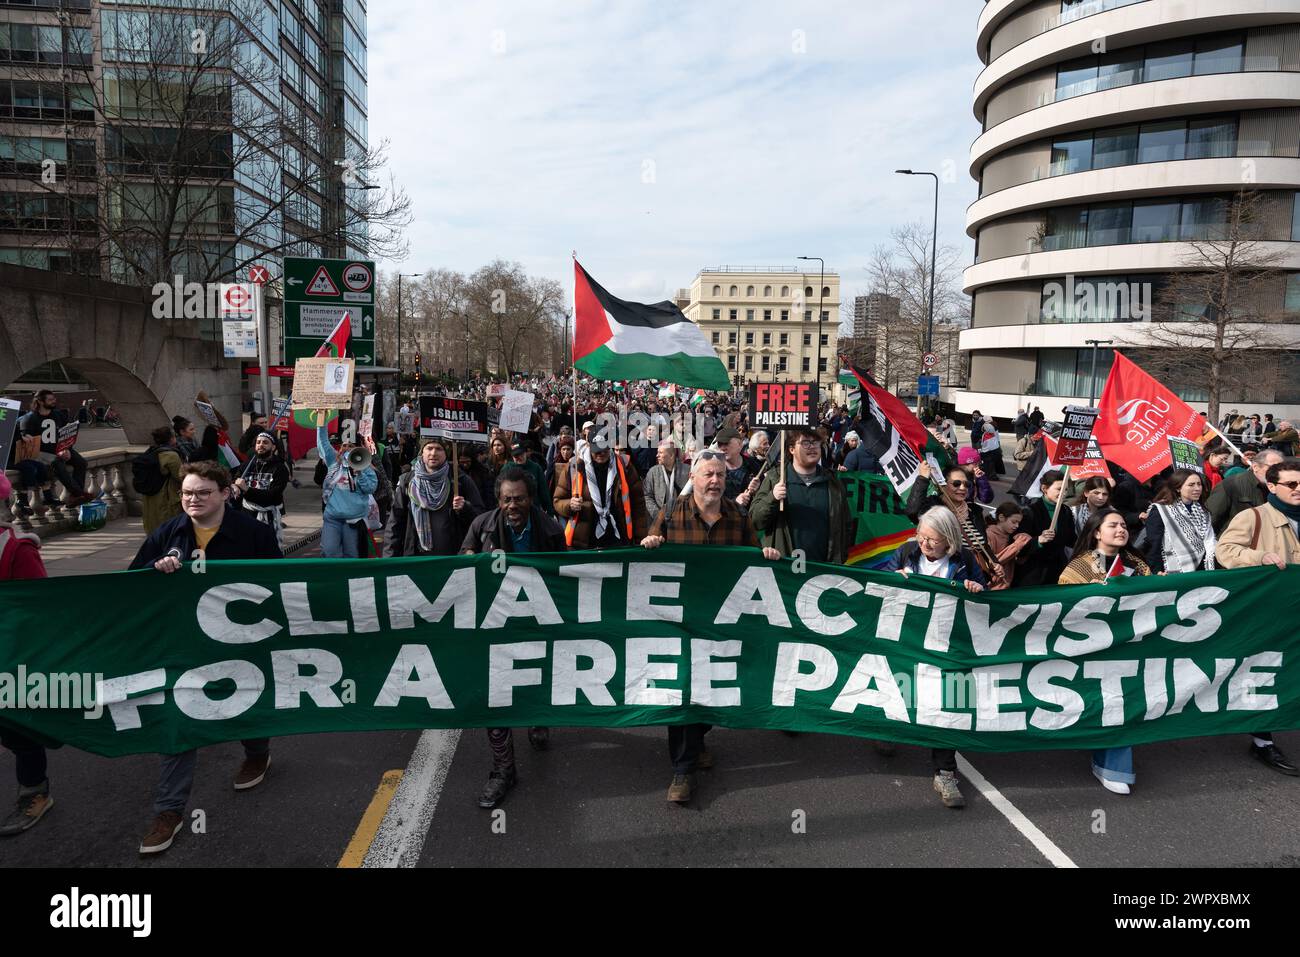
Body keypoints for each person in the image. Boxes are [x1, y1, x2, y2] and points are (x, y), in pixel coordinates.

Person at [129, 461, 282, 854]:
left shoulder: (255, 534)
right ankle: (170, 811)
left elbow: (282, 586)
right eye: (186, 493)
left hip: (240, 643)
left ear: (225, 494)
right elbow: (131, 582)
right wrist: (154, 568)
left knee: (245, 703)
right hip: (184, 646)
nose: (192, 500)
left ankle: (257, 754)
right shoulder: (168, 532)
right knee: (180, 719)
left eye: (202, 493)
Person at [641, 452, 781, 805]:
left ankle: (699, 737)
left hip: (723, 623)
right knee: (684, 689)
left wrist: (765, 555)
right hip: (682, 624)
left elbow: (753, 556)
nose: (715, 481)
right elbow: (646, 550)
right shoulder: (672, 513)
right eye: (707, 475)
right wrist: (652, 544)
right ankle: (682, 769)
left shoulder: (737, 515)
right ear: (695, 477)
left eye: (720, 474)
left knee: (712, 686)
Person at [461, 466, 565, 808]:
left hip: (536, 624)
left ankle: (539, 717)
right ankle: (503, 770)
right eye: (506, 499)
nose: (512, 505)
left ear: (530, 499)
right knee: (497, 695)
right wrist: (469, 561)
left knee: (535, 682)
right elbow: (463, 566)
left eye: (519, 499)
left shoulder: (550, 529)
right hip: (495, 627)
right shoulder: (481, 526)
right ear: (498, 500)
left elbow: (564, 580)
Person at [882, 507, 987, 808]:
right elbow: (878, 584)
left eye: (932, 539)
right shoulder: (906, 552)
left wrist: (977, 589)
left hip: (949, 643)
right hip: (908, 639)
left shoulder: (965, 561)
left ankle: (945, 772)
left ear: (949, 541)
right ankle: (886, 729)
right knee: (901, 689)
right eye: (921, 536)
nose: (924, 544)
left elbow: (986, 595)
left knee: (952, 701)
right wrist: (894, 578)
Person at [1058, 508, 1154, 795]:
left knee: (1120, 704)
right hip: (1092, 648)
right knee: (1101, 703)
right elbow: (1062, 604)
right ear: (1097, 532)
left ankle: (1113, 766)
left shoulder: (1136, 563)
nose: (1121, 529)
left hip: (1129, 646)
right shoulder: (1080, 567)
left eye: (1124, 524)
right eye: (1113, 525)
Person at [1215, 457, 1300, 777]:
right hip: (1269, 614)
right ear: (1273, 486)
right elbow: (1225, 551)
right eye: (1291, 484)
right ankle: (1262, 741)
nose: (1298, 490)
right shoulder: (1254, 517)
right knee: (1268, 673)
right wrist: (1259, 557)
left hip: (1296, 611)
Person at [0, 471, 55, 837]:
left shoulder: (19, 552)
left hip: (10, 658)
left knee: (17, 729)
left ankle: (34, 791)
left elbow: (41, 611)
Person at [750, 427, 852, 564]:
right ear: (791, 449)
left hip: (824, 569)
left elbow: (846, 524)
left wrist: (840, 556)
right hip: (784, 566)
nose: (812, 447)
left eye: (815, 442)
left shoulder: (833, 482)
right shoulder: (775, 478)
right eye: (805, 443)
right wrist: (772, 498)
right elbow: (755, 520)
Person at [385, 436, 484, 557]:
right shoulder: (408, 481)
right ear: (422, 452)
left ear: (446, 453)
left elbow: (480, 519)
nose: (433, 453)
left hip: (452, 558)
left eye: (439, 449)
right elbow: (395, 523)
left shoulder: (460, 481)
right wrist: (389, 558)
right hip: (416, 559)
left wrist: (465, 509)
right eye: (429, 448)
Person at [553, 433, 647, 550]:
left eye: (605, 449)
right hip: (583, 541)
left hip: (618, 537)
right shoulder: (574, 467)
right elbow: (557, 501)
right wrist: (569, 505)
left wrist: (640, 539)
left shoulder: (625, 466)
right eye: (597, 450)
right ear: (588, 446)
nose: (601, 454)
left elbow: (638, 505)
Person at [317, 421, 378, 558]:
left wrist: (360, 473)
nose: (347, 449)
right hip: (333, 519)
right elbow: (323, 443)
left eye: (351, 446)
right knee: (330, 552)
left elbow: (370, 488)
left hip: (354, 520)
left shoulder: (366, 466)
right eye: (344, 445)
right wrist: (321, 422)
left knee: (352, 555)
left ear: (358, 449)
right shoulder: (334, 462)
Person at [18, 390, 91, 505]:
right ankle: (78, 493)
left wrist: (66, 448)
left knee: (81, 462)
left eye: (54, 399)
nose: (54, 401)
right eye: (50, 400)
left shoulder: (57, 414)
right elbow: (26, 443)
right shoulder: (29, 419)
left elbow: (67, 433)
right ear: (40, 402)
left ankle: (74, 496)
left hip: (60, 448)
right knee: (57, 463)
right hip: (41, 453)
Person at [1143, 469, 1215, 573]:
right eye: (1191, 485)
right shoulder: (1162, 510)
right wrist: (1156, 570)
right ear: (1178, 488)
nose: (1197, 488)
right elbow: (1154, 544)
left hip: (1203, 566)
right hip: (1172, 569)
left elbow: (1209, 540)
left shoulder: (1202, 510)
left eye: (1199, 484)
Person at [232, 431, 291, 549]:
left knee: (268, 549)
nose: (260, 445)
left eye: (265, 442)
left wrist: (247, 489)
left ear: (273, 447)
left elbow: (272, 495)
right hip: (247, 514)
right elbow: (235, 480)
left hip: (268, 516)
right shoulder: (247, 465)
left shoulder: (280, 468)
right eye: (258, 442)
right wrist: (234, 486)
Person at [1206, 448, 1284, 534]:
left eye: (1281, 468)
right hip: (1232, 542)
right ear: (1255, 467)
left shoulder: (1281, 488)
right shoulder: (1230, 484)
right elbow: (1210, 519)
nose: (1278, 472)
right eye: (1273, 468)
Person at [1017, 470, 1075, 587]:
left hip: (1058, 571)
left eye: (1066, 490)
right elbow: (1019, 547)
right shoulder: (1029, 512)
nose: (1063, 493)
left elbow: (1071, 539)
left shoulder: (1066, 511)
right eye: (1059, 489)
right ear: (1044, 488)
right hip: (1033, 573)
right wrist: (1038, 540)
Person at [139, 426, 184, 533]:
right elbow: (180, 476)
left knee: (153, 523)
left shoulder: (150, 452)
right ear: (171, 438)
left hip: (150, 496)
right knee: (169, 525)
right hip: (166, 496)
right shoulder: (171, 455)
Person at [643, 437, 690, 528]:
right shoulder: (652, 472)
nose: (657, 455)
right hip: (657, 522)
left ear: (671, 455)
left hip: (681, 520)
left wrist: (680, 515)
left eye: (660, 453)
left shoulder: (687, 471)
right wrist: (658, 515)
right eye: (657, 452)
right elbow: (647, 496)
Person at [984, 501, 1033, 586]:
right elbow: (989, 562)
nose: (1017, 526)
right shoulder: (989, 535)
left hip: (1006, 585)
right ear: (1001, 517)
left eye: (1019, 523)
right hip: (992, 586)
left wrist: (1024, 549)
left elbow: (1018, 562)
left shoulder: (1011, 536)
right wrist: (1017, 546)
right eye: (1014, 522)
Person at [713, 426, 762, 506]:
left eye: (726, 443)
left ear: (740, 444)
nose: (722, 448)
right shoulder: (714, 469)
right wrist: (733, 503)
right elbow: (710, 502)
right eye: (720, 444)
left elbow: (763, 497)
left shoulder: (753, 465)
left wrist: (756, 491)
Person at [508, 442, 549, 514]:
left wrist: (549, 511)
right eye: (516, 456)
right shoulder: (507, 468)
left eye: (521, 454)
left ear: (525, 453)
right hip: (514, 510)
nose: (519, 457)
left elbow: (543, 491)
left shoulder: (536, 468)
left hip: (533, 510)